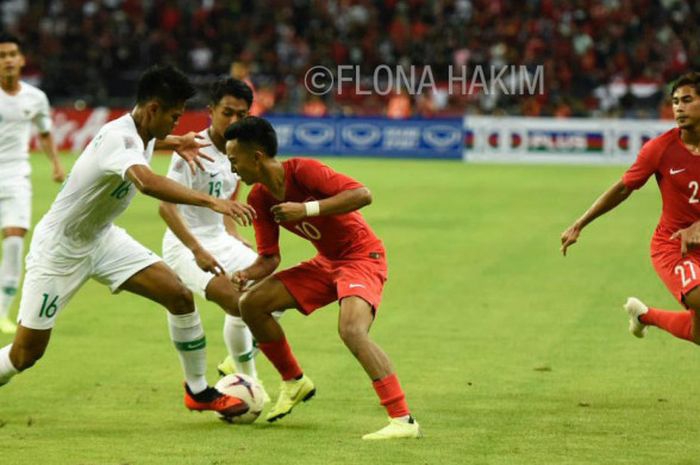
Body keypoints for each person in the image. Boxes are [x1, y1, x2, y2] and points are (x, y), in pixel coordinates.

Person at [0, 64, 257, 420]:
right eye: (174, 117)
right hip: (59, 250)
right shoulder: (119, 139)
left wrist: (175, 140)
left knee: (179, 296)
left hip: (103, 239)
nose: (178, 123)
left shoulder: (143, 131)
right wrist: (212, 201)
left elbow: (151, 140)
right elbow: (147, 182)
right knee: (25, 354)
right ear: (153, 109)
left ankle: (197, 390)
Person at [224, 116, 421, 440]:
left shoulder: (303, 170)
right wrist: (246, 273)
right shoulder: (259, 198)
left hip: (361, 257)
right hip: (326, 263)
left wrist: (307, 209)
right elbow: (270, 257)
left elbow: (362, 194)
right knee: (251, 303)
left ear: (256, 157)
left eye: (234, 160)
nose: (233, 169)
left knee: (351, 330)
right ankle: (294, 379)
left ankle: (403, 420)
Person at [561, 71, 700, 344]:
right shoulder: (660, 149)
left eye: (687, 100)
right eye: (675, 102)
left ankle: (644, 316)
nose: (679, 108)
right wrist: (580, 223)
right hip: (674, 246)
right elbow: (624, 187)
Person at [159, 77, 269, 396]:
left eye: (241, 115)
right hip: (185, 245)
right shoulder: (191, 149)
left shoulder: (239, 150)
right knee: (241, 304)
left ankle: (236, 364)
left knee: (277, 294)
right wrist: (196, 250)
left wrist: (231, 232)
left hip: (219, 239)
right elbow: (167, 209)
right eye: (227, 112)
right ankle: (250, 382)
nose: (234, 121)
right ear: (211, 111)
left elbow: (230, 190)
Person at [0, 33, 66, 334]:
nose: (8, 59)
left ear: (22, 59)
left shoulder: (35, 98)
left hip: (16, 177)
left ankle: (2, 312)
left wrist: (55, 162)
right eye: (2, 56)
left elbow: (43, 131)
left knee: (14, 241)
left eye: (12, 53)